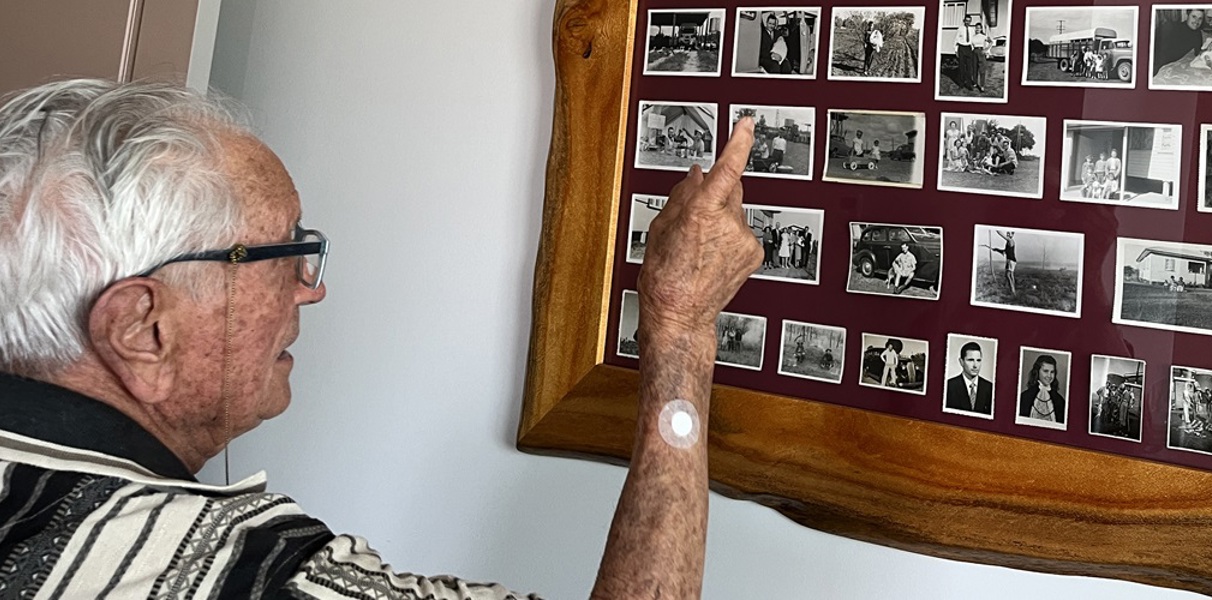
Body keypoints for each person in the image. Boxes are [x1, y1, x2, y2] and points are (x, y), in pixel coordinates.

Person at [0, 79, 763, 599]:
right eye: (281, 252)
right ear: (144, 327)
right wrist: (683, 327)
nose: (312, 284)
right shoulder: (224, 572)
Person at [944, 342, 995, 415]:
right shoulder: (949, 386)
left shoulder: (990, 388)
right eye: (970, 360)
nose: (975, 365)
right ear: (961, 362)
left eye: (978, 360)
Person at [1017, 355, 1066, 425]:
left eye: (1052, 372)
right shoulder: (1024, 397)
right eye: (1045, 371)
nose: (1049, 376)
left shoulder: (1060, 401)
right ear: (1037, 371)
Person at [991, 230, 1017, 295]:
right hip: (1012, 260)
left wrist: (997, 230)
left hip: (1010, 260)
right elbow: (1004, 251)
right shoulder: (1009, 242)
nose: (1007, 235)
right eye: (1007, 233)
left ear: (1012, 235)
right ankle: (1013, 290)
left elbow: (1001, 234)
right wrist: (996, 249)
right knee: (1011, 275)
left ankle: (1013, 291)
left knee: (1007, 275)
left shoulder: (1010, 240)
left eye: (1009, 233)